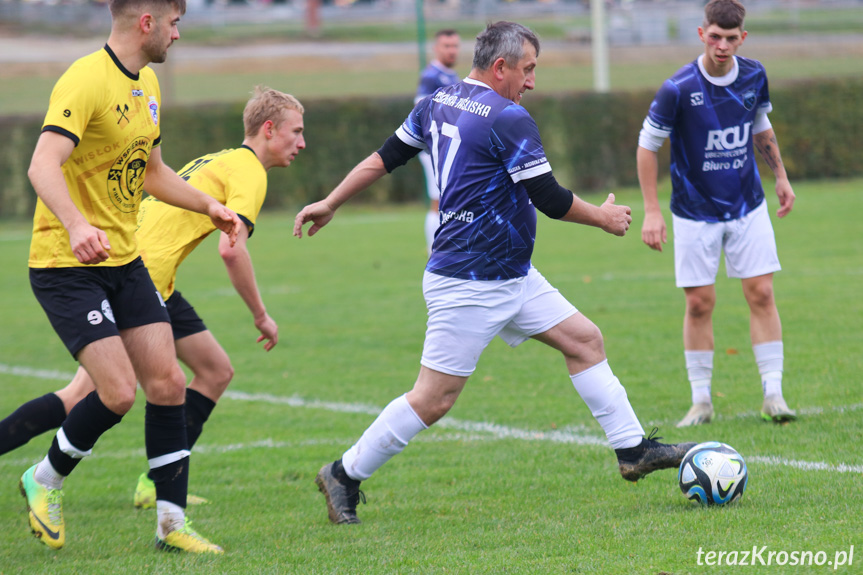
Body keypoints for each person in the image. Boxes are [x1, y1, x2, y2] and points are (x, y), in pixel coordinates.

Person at [294, 21, 695, 525]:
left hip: (510, 273)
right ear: (500, 66)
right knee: (433, 398)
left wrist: (331, 201)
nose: (531, 82)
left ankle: (632, 450)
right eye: (527, 70)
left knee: (585, 341)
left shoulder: (438, 100)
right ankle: (343, 474)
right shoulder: (508, 117)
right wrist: (604, 218)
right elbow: (548, 199)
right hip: (468, 281)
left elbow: (385, 157)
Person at [4, 86, 305, 509]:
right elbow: (231, 248)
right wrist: (260, 315)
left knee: (215, 370)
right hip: (139, 276)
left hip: (152, 277)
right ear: (269, 129)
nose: (302, 143)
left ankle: (155, 481)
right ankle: (51, 478)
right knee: (85, 396)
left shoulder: (224, 158)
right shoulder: (251, 172)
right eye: (296, 131)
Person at [20, 0, 245, 553]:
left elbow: (153, 172)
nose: (177, 34)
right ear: (146, 22)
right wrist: (75, 225)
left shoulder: (147, 84)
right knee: (118, 392)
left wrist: (206, 206)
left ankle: (172, 525)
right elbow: (41, 164)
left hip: (124, 262)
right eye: (174, 23)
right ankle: (43, 478)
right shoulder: (85, 78)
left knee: (167, 384)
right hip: (66, 265)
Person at [635, 0, 796, 428]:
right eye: (715, 36)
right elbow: (647, 146)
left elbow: (760, 124)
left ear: (742, 38)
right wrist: (652, 210)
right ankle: (701, 401)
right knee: (700, 303)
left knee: (761, 293)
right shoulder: (678, 87)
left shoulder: (755, 74)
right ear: (701, 33)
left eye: (731, 38)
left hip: (747, 203)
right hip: (693, 210)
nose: (722, 45)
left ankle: (773, 395)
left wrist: (780, 176)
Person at [415, 29, 460, 254]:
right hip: (434, 148)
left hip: (446, 148)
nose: (452, 51)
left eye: (455, 46)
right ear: (436, 48)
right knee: (439, 200)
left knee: (447, 199)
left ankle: (443, 248)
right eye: (447, 46)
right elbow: (420, 110)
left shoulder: (451, 76)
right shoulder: (431, 76)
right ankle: (434, 251)